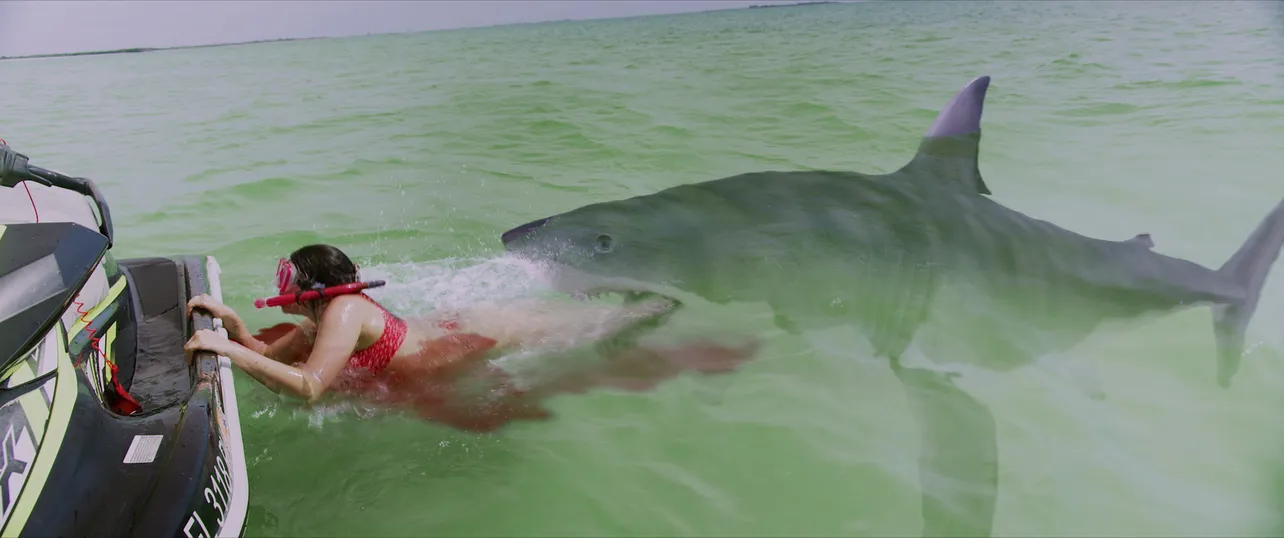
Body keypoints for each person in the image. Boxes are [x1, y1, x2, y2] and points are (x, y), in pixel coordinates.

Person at [184, 244, 757, 431]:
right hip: (440, 335)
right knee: (557, 327)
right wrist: (232, 327)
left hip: (449, 348)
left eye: (291, 282)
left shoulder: (342, 314)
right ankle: (637, 310)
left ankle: (652, 307)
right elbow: (266, 358)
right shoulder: (323, 315)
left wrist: (226, 349)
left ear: (311, 287)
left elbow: (308, 386)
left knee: (575, 331)